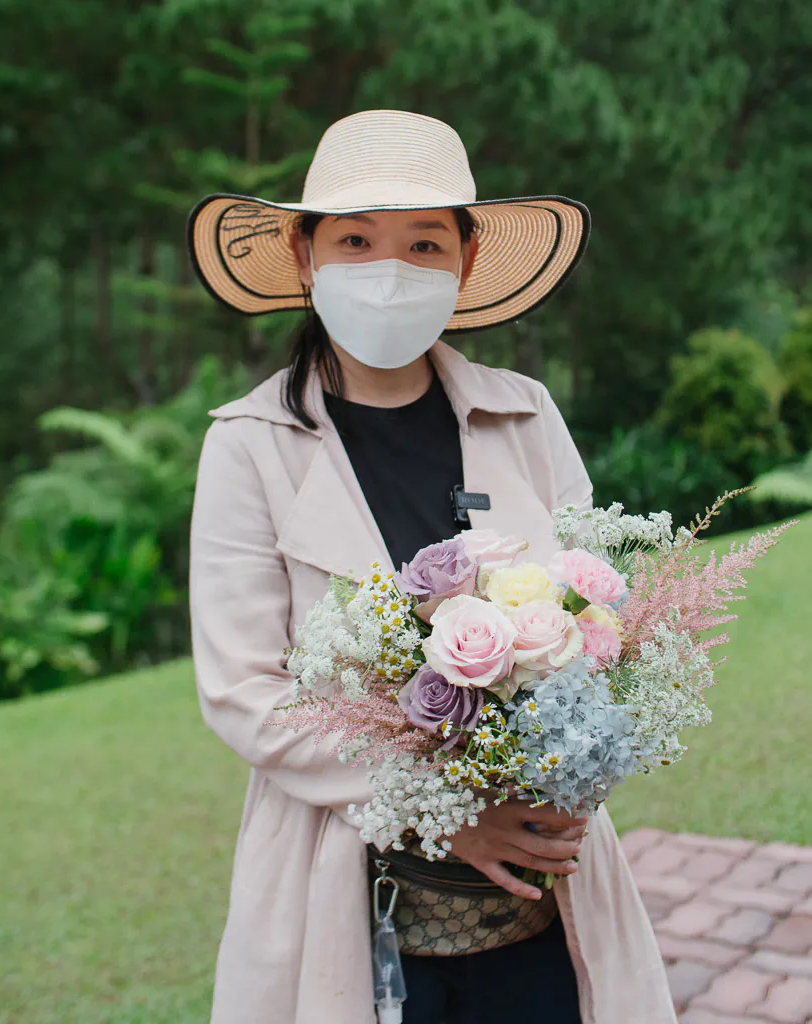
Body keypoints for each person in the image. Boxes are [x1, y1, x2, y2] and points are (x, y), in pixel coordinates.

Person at [188, 109, 676, 1024]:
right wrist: (452, 812)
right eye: (357, 240)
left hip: (539, 901)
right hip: (351, 894)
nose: (390, 271)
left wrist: (575, 748)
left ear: (465, 256)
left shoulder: (524, 414)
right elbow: (242, 688)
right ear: (303, 254)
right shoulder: (250, 446)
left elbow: (601, 613)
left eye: (423, 242)